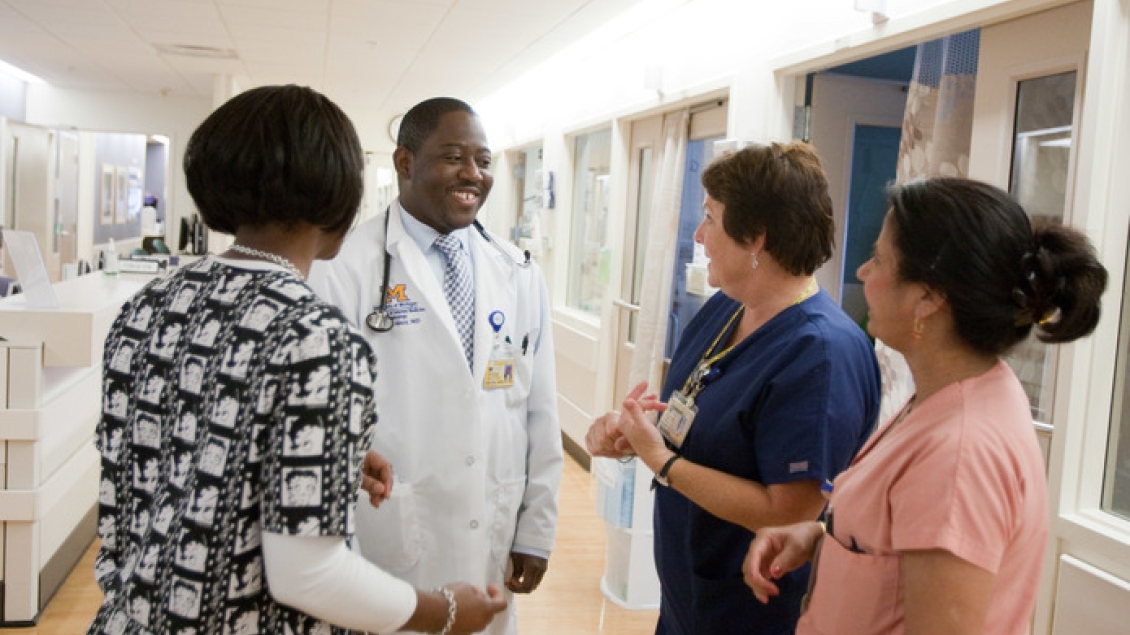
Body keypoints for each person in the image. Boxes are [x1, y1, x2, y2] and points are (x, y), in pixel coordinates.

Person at [88, 85, 507, 635]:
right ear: (338, 193)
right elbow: (308, 576)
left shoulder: (149, 303)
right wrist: (448, 612)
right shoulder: (317, 336)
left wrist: (326, 457)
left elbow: (183, 454)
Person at [743, 177, 1108, 635]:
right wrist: (823, 537)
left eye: (880, 259)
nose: (863, 272)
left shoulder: (960, 452)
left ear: (929, 298)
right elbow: (904, 540)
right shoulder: (956, 392)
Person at [586, 142, 881, 635]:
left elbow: (789, 510)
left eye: (711, 219)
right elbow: (707, 422)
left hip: (752, 609)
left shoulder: (820, 354)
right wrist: (632, 434)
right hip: (690, 595)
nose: (699, 235)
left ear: (757, 238)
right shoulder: (726, 308)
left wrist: (661, 461)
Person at [308, 97, 563, 635]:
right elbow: (319, 419)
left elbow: (539, 411)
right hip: (390, 538)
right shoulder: (343, 267)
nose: (473, 174)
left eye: (484, 160)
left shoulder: (516, 272)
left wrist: (535, 531)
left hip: (489, 536)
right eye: (453, 157)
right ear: (405, 163)